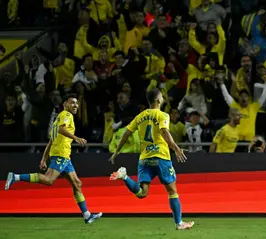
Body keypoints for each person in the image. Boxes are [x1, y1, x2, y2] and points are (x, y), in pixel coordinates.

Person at [4, 95, 102, 224]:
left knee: (77, 184)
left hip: (63, 156)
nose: (75, 105)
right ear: (65, 104)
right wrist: (76, 138)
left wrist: (43, 159)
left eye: (77, 103)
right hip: (61, 154)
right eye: (72, 103)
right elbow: (62, 130)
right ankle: (15, 177)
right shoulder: (66, 115)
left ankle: (87, 215)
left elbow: (51, 141)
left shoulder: (57, 120)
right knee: (49, 180)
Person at [109, 88, 195, 230]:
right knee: (172, 191)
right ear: (159, 100)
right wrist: (176, 148)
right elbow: (164, 131)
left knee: (142, 193)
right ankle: (179, 223)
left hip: (145, 159)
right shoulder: (163, 115)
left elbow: (126, 133)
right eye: (162, 96)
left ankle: (125, 177)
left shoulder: (140, 116)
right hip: (160, 157)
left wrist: (116, 151)